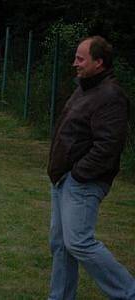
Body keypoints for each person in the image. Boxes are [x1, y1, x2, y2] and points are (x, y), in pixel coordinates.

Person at [47, 36, 135, 299]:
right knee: (61, 245)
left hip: (83, 182)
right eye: (76, 57)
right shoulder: (84, 88)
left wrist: (78, 174)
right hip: (63, 179)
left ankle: (128, 293)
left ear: (99, 62)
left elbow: (108, 145)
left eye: (80, 58)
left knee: (79, 242)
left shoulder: (110, 95)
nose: (75, 63)